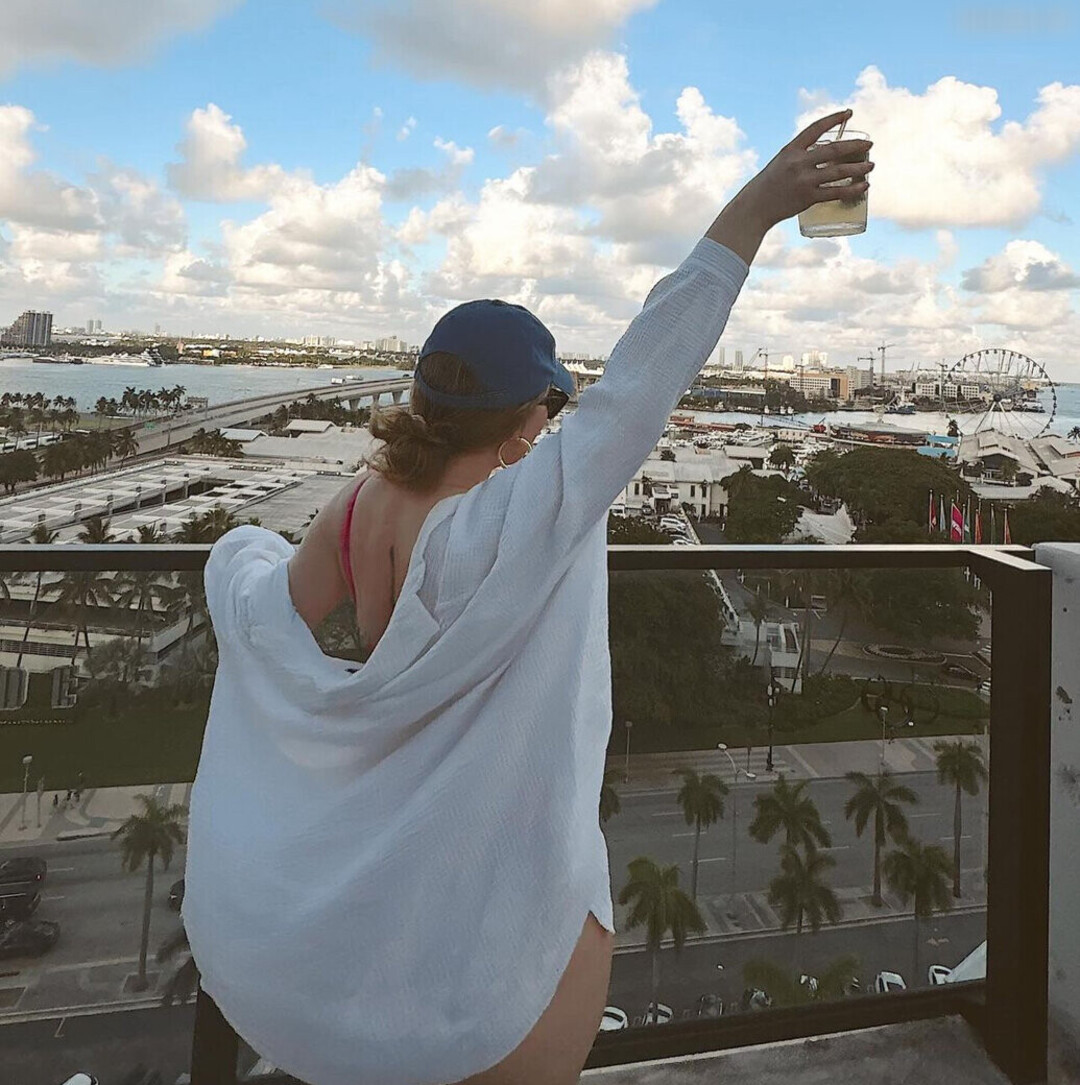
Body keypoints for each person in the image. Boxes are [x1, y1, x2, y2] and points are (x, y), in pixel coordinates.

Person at [183, 110, 873, 1085]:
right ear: (522, 422)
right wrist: (758, 206)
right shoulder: (522, 518)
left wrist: (239, 550)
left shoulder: (358, 504)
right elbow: (645, 375)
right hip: (487, 892)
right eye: (548, 410)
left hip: (382, 864)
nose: (554, 428)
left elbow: (264, 613)